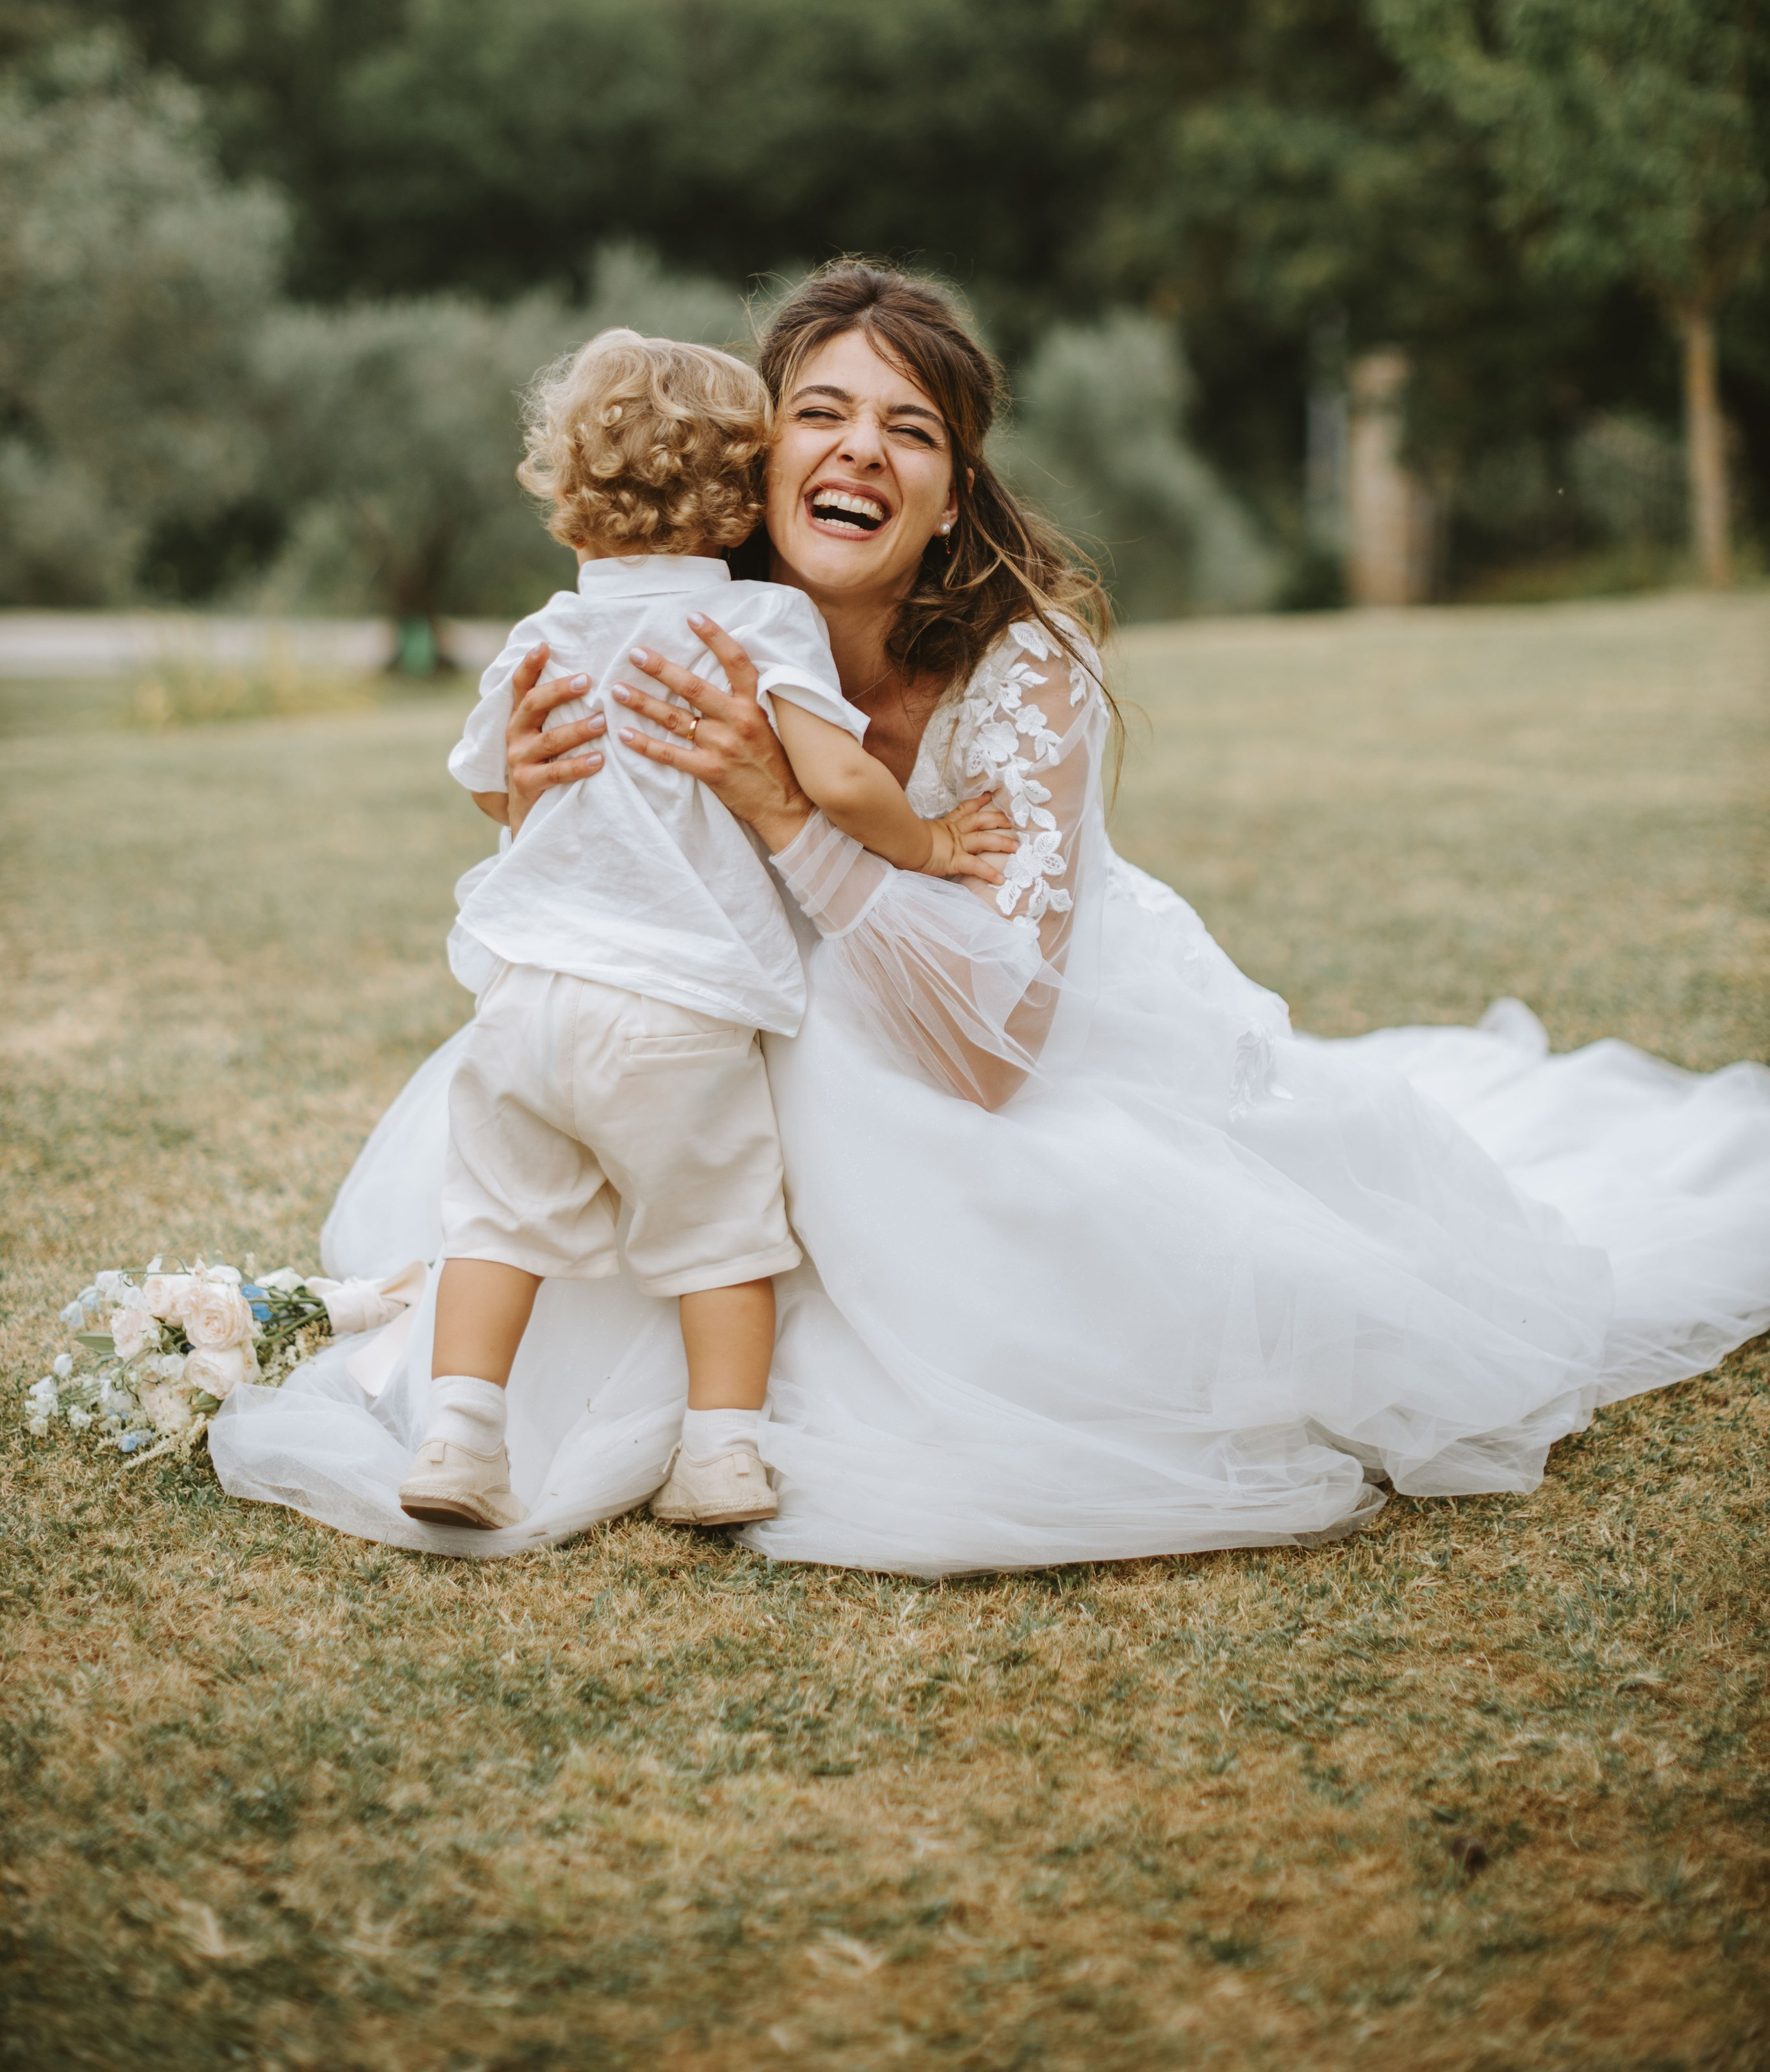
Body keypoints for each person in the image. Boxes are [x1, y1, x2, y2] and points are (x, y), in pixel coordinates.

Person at [210, 261, 1770, 1573]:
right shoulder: (693, 626)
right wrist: (524, 791)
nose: (860, 451)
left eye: (910, 429)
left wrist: (778, 814)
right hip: (693, 1041)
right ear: (750, 460)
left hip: (982, 1073)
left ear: (955, 491)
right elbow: (567, 851)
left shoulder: (1025, 671)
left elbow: (992, 1045)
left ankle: (728, 1425)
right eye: (818, 412)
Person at [400, 326, 1012, 1535]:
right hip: (677, 1007)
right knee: (723, 1237)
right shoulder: (758, 632)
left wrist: (551, 790)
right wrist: (934, 843)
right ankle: (722, 1457)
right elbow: (839, 783)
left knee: (495, 1224)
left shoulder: (543, 637)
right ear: (744, 496)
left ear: (569, 502)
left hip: (526, 999)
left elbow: (487, 784)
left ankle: (460, 1439)